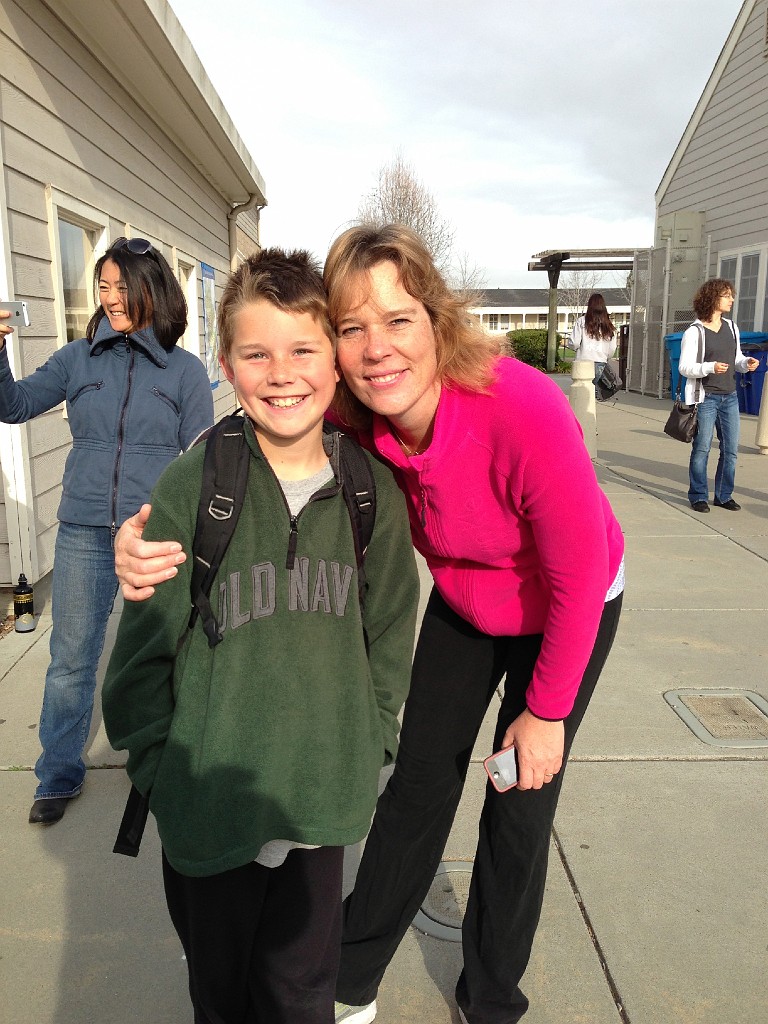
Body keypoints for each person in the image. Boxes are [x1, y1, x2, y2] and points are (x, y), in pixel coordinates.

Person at [113, 225, 625, 1024]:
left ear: (436, 320)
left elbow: (579, 573)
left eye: (398, 320)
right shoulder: (358, 411)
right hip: (469, 600)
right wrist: (144, 530)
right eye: (353, 327)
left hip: (569, 600)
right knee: (418, 783)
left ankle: (492, 995)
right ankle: (351, 972)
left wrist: (547, 711)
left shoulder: (522, 405)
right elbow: (257, 428)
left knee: (521, 800)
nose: (377, 347)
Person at [101, 248, 418, 1024]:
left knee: (301, 998)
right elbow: (139, 661)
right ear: (226, 365)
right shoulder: (194, 486)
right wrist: (166, 776)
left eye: (303, 350)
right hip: (211, 811)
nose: (282, 375)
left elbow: (389, 634)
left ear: (336, 363)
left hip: (320, 808)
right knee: (221, 997)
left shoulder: (369, 492)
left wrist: (370, 744)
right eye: (256, 354)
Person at [0, 237, 213, 827]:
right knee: (71, 659)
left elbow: (201, 457)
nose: (111, 297)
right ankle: (57, 775)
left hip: (153, 532)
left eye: (123, 286)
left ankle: (170, 763)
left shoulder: (184, 370)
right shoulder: (77, 359)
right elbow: (14, 405)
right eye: (103, 286)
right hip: (84, 530)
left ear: (152, 290)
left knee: (165, 656)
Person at [678, 277, 758, 513]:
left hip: (730, 396)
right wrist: (709, 367)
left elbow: (736, 359)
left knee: (731, 450)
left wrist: (746, 363)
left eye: (731, 295)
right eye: (727, 296)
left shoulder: (731, 327)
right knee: (702, 449)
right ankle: (698, 495)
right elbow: (684, 367)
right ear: (712, 298)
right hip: (705, 398)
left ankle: (724, 495)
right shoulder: (695, 332)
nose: (731, 300)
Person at [569, 292, 617, 396]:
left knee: (581, 393)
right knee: (590, 390)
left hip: (583, 360)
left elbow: (574, 342)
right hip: (600, 361)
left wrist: (574, 348)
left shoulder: (582, 321)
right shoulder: (608, 324)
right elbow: (612, 348)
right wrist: (606, 356)